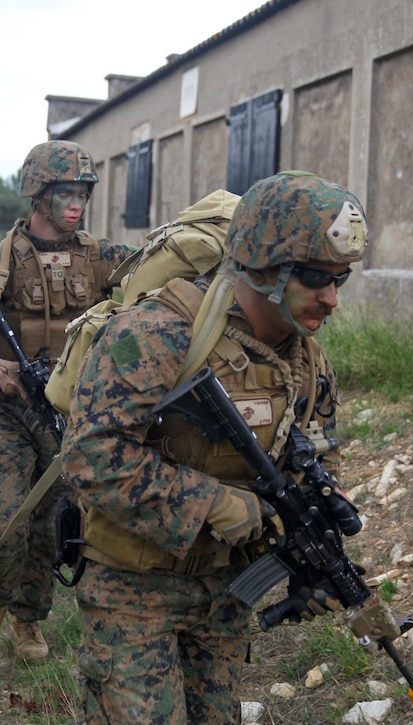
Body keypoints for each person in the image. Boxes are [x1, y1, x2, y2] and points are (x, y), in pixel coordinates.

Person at [59, 171, 368, 723]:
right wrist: (217, 505)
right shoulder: (157, 333)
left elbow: (316, 454)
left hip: (225, 593)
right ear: (263, 267)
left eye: (340, 279)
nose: (332, 299)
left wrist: (307, 552)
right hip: (132, 588)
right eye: (315, 279)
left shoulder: (307, 361)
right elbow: (91, 455)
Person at [0, 140, 131, 667]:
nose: (77, 203)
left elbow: (158, 283)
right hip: (15, 409)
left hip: (74, 415)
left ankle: (29, 617)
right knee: (2, 519)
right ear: (38, 194)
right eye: (66, 193)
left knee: (51, 523)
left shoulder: (104, 258)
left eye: (83, 193)